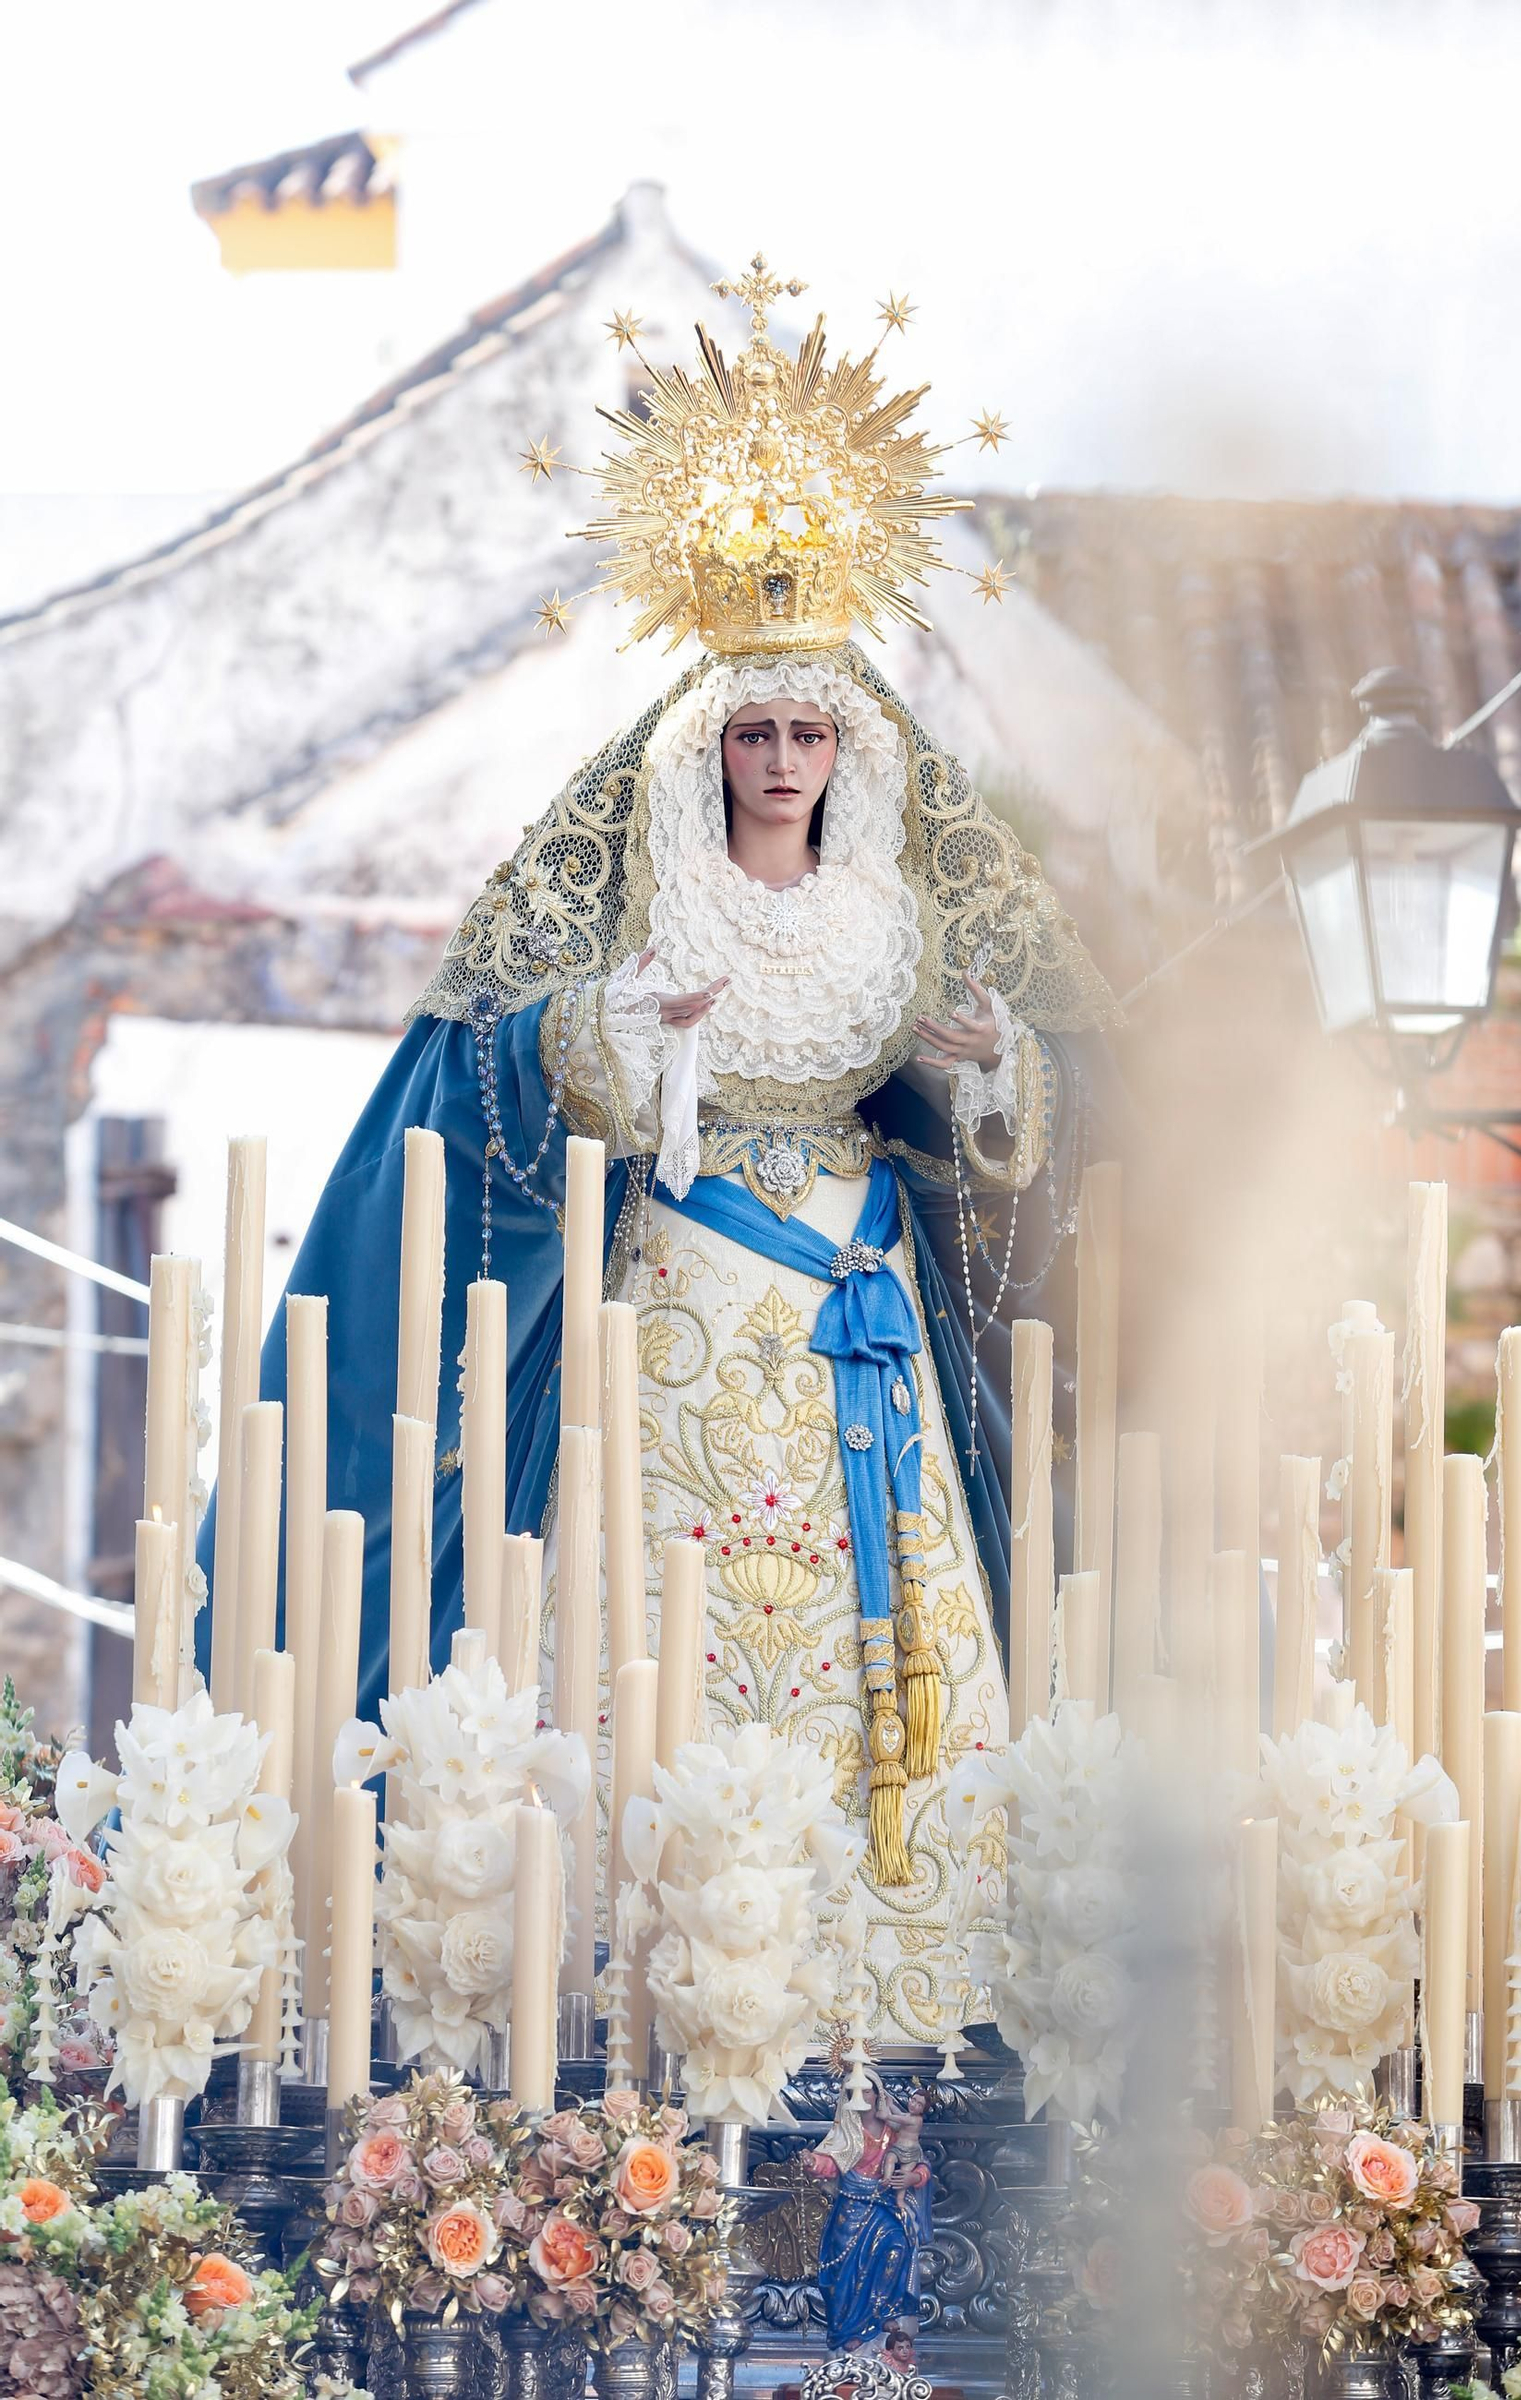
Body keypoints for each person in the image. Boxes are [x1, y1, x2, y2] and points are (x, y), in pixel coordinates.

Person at [207, 253, 1120, 2037]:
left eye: (810, 732)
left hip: (868, 1333)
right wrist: (611, 1041)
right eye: (758, 730)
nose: (783, 758)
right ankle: (657, 2006)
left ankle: (901, 2012)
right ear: (711, 747)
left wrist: (997, 1069)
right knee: (661, 1642)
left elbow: (992, 1140)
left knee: (901, 1645)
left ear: (850, 752)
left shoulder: (901, 915)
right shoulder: (642, 901)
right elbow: (492, 1080)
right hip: (685, 1317)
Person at [805, 2078, 933, 2356]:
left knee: (896, 2246)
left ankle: (881, 2314)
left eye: (866, 2090)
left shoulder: (896, 2128)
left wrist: (912, 2176)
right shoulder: (846, 2131)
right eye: (854, 2091)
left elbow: (920, 2163)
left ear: (877, 2094)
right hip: (850, 2210)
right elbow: (830, 2162)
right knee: (843, 2272)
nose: (861, 2096)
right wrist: (814, 2163)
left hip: (885, 2207)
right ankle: (849, 2330)